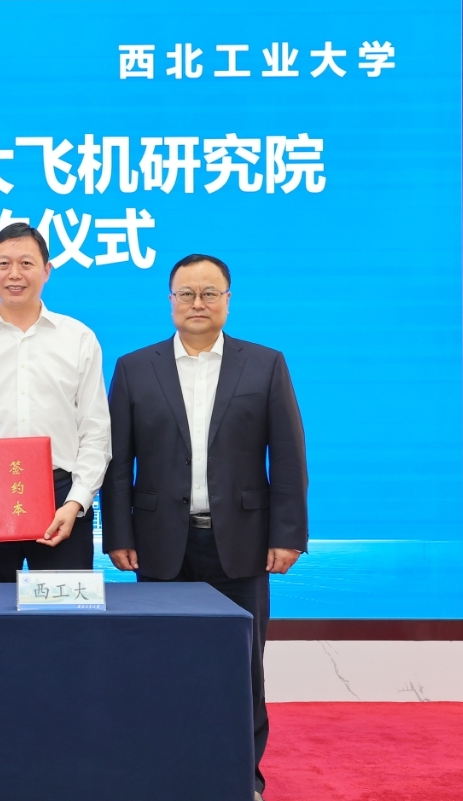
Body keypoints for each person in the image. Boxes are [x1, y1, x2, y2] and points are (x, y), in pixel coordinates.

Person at [101, 253, 308, 801]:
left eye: (209, 293)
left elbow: (288, 456)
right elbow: (117, 463)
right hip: (158, 543)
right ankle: (163, 775)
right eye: (187, 293)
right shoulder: (134, 367)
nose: (198, 303)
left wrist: (288, 534)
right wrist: (118, 534)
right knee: (160, 665)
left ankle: (243, 777)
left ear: (228, 300)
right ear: (170, 300)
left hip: (241, 541)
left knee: (242, 668)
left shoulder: (264, 364)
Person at [0, 222, 111, 581]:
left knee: (64, 610)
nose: (15, 274)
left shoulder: (79, 339)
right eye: (4, 264)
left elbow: (96, 431)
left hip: (62, 498)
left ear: (47, 270)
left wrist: (76, 501)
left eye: (26, 263)